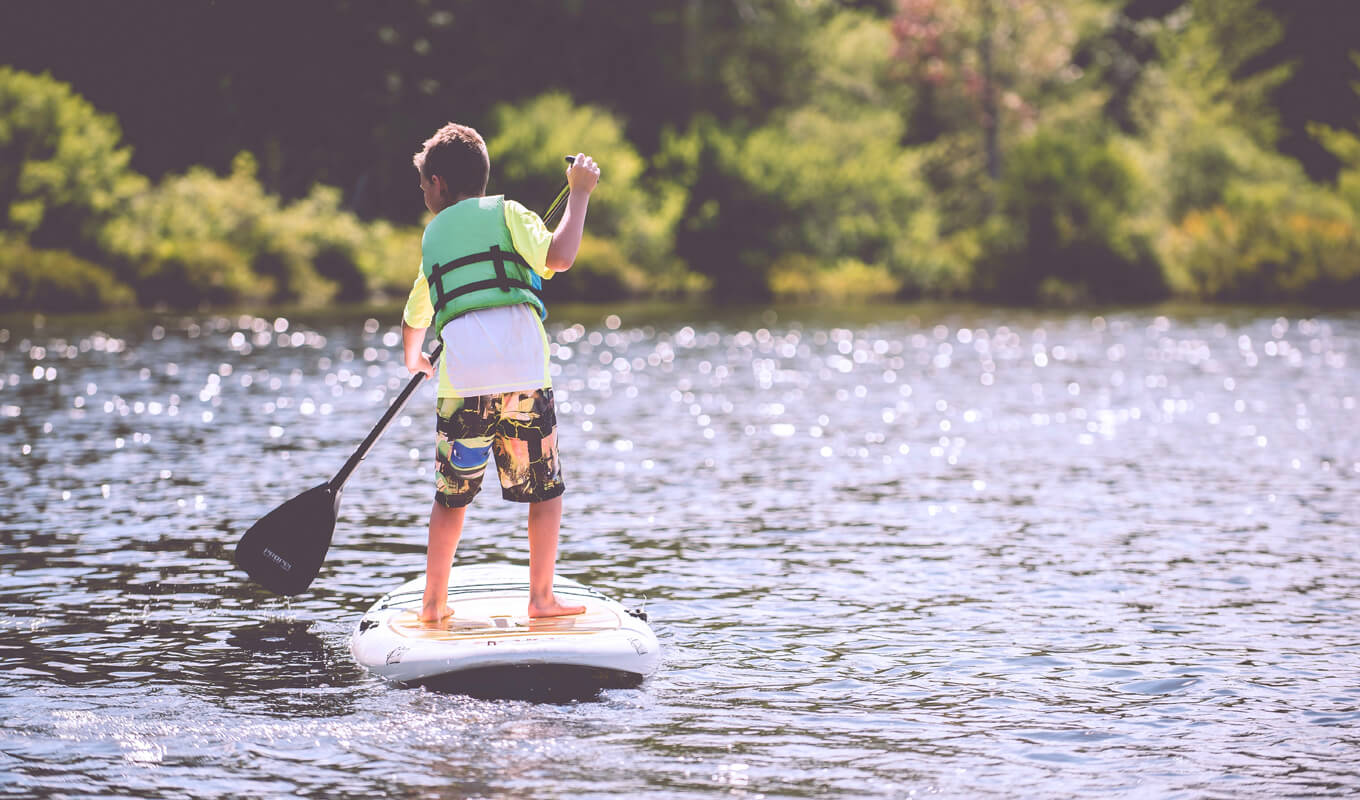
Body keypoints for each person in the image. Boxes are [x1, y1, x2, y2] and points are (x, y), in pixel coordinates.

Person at [400, 122, 599, 621]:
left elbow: (415, 313)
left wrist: (414, 358)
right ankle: (541, 599)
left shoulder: (433, 237)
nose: (423, 191)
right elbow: (561, 255)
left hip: (463, 387)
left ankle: (432, 604)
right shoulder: (510, 214)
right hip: (525, 380)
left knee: (452, 498)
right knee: (545, 490)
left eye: (424, 182)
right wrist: (579, 196)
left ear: (439, 183)